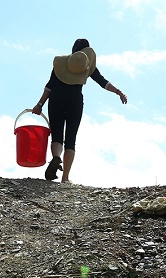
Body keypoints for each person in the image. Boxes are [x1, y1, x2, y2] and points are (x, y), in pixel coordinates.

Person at [31, 38, 127, 183]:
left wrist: (39, 105)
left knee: (57, 135)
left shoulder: (60, 65)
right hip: (74, 101)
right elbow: (103, 82)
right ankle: (65, 178)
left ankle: (56, 157)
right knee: (71, 139)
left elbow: (49, 87)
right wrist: (118, 92)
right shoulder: (87, 66)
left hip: (56, 99)